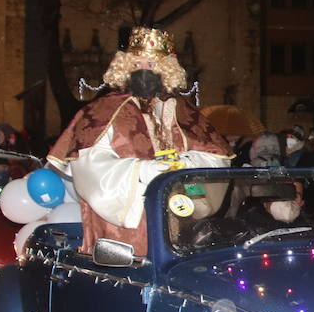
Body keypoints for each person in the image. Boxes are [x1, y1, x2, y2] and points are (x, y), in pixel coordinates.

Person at [47, 27, 233, 255]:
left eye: (151, 65)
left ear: (166, 70)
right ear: (125, 68)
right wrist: (143, 171)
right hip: (122, 234)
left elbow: (217, 158)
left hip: (181, 225)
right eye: (136, 65)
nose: (143, 72)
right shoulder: (102, 110)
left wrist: (185, 163)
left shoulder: (184, 111)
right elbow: (89, 165)